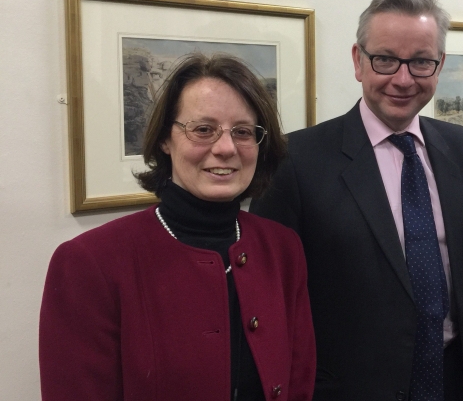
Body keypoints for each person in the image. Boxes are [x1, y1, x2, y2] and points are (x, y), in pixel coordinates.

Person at [250, 0, 463, 401]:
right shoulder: (296, 161)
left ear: (439, 65)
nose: (403, 78)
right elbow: (269, 302)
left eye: (421, 62)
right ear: (358, 61)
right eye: (385, 59)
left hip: (452, 380)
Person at [40, 53, 316, 401]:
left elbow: (300, 382)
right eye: (203, 129)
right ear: (165, 140)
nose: (226, 148)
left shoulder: (281, 248)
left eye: (243, 132)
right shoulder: (89, 263)